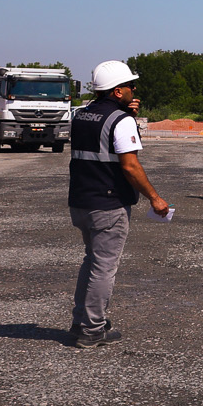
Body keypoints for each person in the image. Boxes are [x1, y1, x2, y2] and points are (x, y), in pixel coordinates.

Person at [67, 60, 171, 348]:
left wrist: (124, 114)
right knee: (103, 268)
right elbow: (130, 166)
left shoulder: (81, 115)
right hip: (108, 204)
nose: (133, 89)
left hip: (81, 201)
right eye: (129, 86)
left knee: (92, 262)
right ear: (116, 91)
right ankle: (92, 329)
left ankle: (82, 322)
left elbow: (101, 135)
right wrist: (155, 197)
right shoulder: (121, 121)